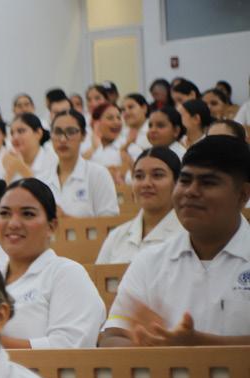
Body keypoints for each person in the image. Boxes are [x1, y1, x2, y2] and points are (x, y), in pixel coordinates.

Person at [99, 136, 250, 346]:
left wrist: (193, 346)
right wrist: (149, 346)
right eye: (185, 180)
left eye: (208, 183)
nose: (191, 191)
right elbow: (111, 337)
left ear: (243, 194)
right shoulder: (149, 261)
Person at [0, 179, 105, 348]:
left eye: (28, 214)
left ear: (52, 226)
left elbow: (69, 348)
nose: (13, 223)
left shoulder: (67, 274)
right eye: (4, 213)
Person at [98, 148, 186, 264]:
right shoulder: (117, 236)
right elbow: (99, 274)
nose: (146, 183)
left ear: (177, 183)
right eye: (139, 176)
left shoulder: (188, 236)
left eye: (157, 175)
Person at [52, 110, 120, 217]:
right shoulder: (42, 179)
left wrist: (66, 220)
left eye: (71, 132)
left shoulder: (98, 174)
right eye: (57, 132)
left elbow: (110, 222)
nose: (63, 139)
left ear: (83, 135)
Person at [3, 113, 58, 187]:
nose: (15, 137)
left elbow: (44, 192)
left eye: (21, 131)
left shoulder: (53, 161)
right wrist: (9, 173)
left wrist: (21, 167)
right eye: (12, 133)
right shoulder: (10, 160)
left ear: (38, 133)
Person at [85, 103, 126, 175]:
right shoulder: (83, 144)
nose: (116, 122)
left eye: (119, 118)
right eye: (110, 118)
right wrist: (94, 148)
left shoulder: (128, 147)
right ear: (96, 123)